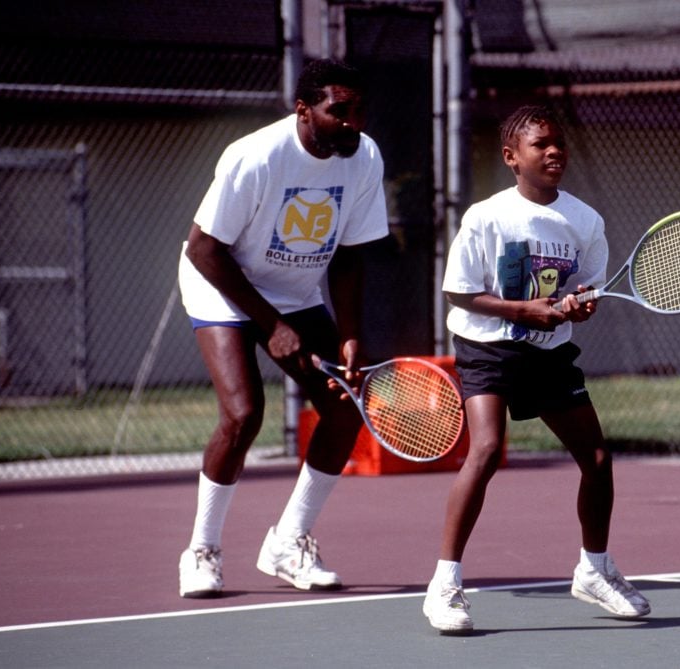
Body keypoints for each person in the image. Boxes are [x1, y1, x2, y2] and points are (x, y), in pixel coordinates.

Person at [422, 105, 651, 633]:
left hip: (549, 353)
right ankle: (445, 585)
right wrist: (523, 310)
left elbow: (585, 293)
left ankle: (594, 571)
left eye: (559, 144)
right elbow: (458, 291)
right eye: (540, 144)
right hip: (488, 347)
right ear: (511, 157)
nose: (554, 152)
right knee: (484, 450)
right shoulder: (487, 216)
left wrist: (580, 306)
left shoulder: (585, 220)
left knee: (596, 458)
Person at [176, 59, 389, 598]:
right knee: (244, 414)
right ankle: (202, 549)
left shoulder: (363, 159)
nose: (352, 121)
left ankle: (289, 541)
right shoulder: (256, 157)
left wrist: (349, 333)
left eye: (359, 110)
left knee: (345, 406)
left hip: (292, 288)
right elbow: (205, 249)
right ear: (304, 111)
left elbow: (348, 256)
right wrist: (271, 325)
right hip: (220, 280)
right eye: (338, 111)